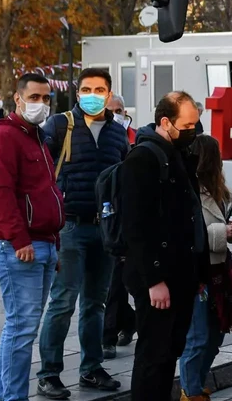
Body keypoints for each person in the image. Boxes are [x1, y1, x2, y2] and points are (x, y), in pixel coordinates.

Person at [35, 69, 129, 398]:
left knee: (95, 305)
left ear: (109, 93)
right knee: (62, 303)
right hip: (70, 227)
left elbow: (124, 180)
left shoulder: (119, 133)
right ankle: (48, 373)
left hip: (104, 228)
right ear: (77, 93)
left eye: (99, 89)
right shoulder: (60, 125)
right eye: (86, 89)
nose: (92, 94)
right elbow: (38, 169)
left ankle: (91, 368)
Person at [0, 74, 63, 401]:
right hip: (16, 244)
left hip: (41, 242)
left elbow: (47, 191)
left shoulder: (35, 137)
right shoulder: (4, 137)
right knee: (21, 328)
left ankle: (4, 397)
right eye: (34, 97)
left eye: (46, 98)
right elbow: (0, 194)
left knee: (21, 328)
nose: (40, 104)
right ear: (17, 98)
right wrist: (20, 241)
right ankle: (12, 398)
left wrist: (52, 244)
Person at [122, 91, 208, 401]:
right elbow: (136, 226)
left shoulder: (180, 155)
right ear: (165, 122)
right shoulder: (143, 158)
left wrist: (198, 273)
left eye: (196, 125)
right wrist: (154, 280)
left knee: (171, 349)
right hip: (157, 277)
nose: (194, 132)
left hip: (182, 273)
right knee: (153, 354)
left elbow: (190, 218)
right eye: (187, 125)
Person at [179, 135, 232, 401]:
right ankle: (191, 391)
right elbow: (185, 234)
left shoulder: (219, 190)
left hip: (219, 271)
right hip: (197, 272)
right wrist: (224, 232)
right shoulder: (188, 189)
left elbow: (228, 230)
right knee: (197, 337)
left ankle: (196, 383)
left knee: (216, 335)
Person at [101, 92, 136, 359]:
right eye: (111, 110)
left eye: (120, 110)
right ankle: (128, 321)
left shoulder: (134, 138)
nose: (117, 114)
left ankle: (108, 336)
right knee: (113, 283)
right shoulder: (99, 138)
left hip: (124, 219)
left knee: (116, 283)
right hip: (102, 217)